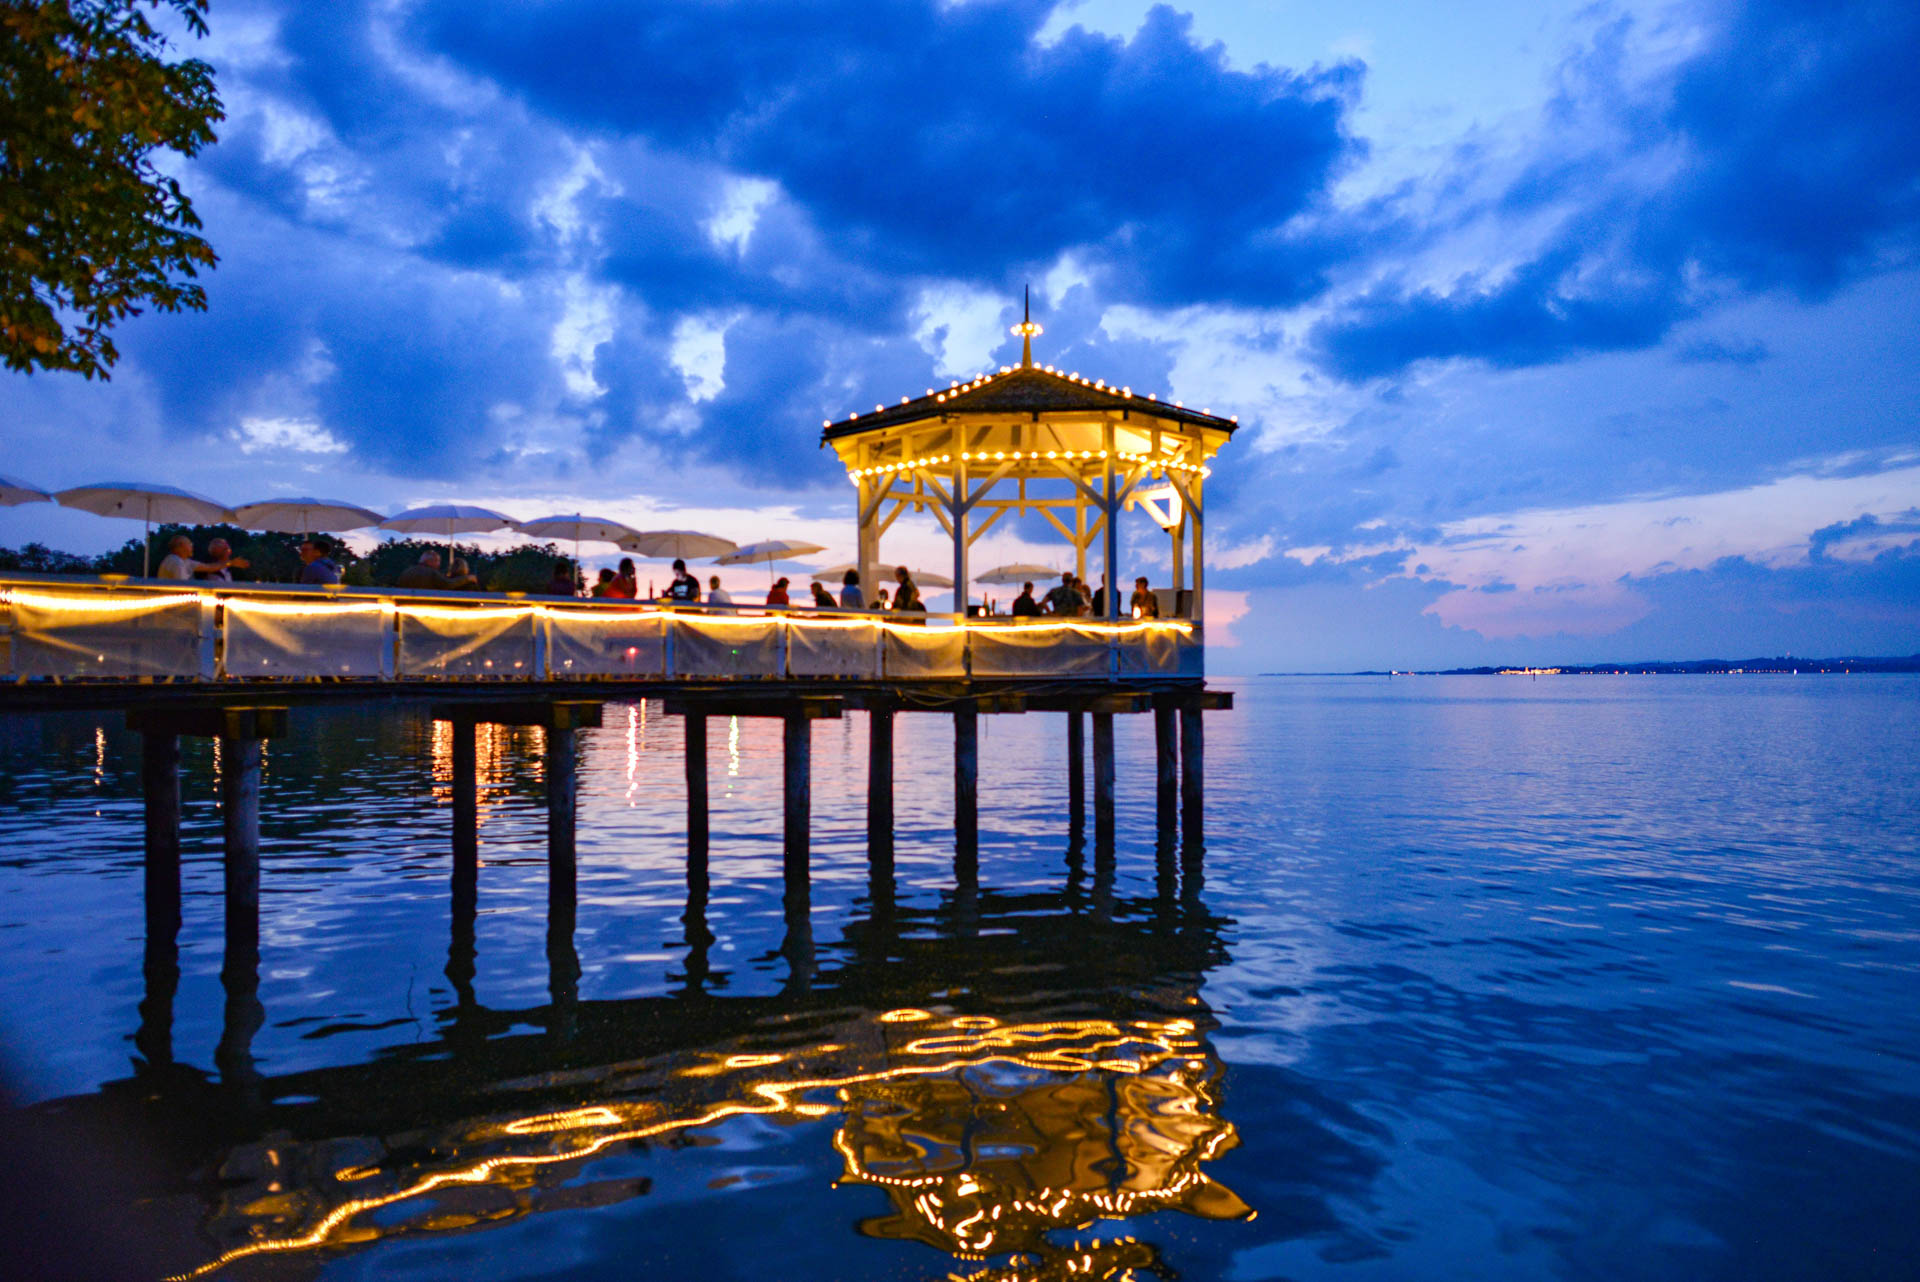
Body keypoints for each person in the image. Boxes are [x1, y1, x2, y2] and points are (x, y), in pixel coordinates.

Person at [155, 535, 227, 581]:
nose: (192, 547)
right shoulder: (175, 562)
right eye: (190, 544)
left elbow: (209, 567)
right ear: (180, 547)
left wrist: (230, 563)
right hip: (175, 602)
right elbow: (183, 586)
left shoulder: (186, 561)